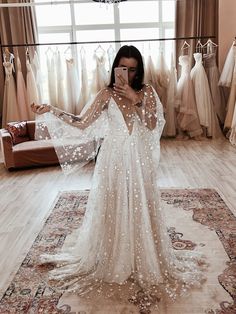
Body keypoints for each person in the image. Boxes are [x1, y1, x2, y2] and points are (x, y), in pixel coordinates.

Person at [31, 45, 207, 309]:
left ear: (139, 70)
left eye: (133, 69)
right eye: (123, 67)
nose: (127, 73)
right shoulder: (105, 94)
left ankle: (142, 254)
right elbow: (81, 122)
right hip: (112, 158)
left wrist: (135, 99)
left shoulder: (146, 92)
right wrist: (51, 109)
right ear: (115, 67)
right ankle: (114, 256)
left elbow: (152, 124)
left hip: (137, 159)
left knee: (139, 202)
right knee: (113, 202)